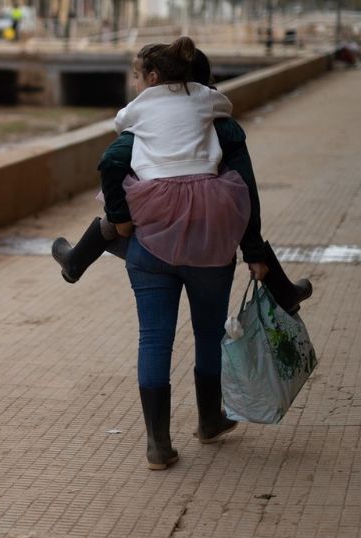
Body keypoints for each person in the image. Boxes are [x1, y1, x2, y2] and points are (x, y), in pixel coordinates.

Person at [53, 38, 312, 470]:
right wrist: (254, 250)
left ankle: (158, 445)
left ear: (156, 80)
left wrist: (119, 217)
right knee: (208, 335)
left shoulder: (140, 126)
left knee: (154, 338)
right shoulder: (222, 126)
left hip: (152, 245)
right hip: (211, 246)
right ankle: (210, 420)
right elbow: (245, 192)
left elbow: (112, 159)